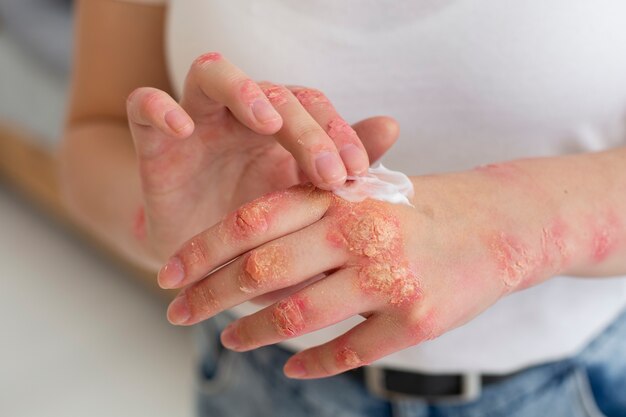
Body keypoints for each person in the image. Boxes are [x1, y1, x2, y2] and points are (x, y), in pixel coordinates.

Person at [60, 0, 626, 416]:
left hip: (571, 385)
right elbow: (96, 129)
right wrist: (173, 231)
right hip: (261, 381)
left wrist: (512, 224)